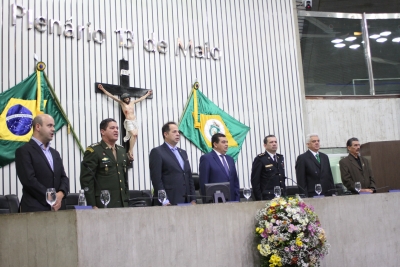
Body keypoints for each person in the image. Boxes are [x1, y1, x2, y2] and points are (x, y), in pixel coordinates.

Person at [15, 114, 69, 212]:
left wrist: (61, 194)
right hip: (35, 208)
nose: (53, 129)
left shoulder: (55, 153)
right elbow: (29, 181)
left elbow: (63, 177)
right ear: (38, 127)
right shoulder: (24, 151)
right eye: (49, 125)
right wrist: (51, 198)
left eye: (53, 126)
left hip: (58, 208)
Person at [80, 118, 129, 208]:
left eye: (117, 128)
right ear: (102, 131)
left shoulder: (121, 151)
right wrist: (92, 204)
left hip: (123, 203)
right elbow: (87, 180)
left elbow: (124, 179)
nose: (116, 130)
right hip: (103, 203)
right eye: (112, 128)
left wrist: (127, 200)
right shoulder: (94, 151)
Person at [98, 84, 152, 161]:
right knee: (133, 134)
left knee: (134, 136)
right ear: (123, 99)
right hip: (128, 121)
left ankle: (130, 151)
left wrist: (147, 94)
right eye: (125, 99)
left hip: (134, 121)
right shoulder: (122, 103)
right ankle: (130, 151)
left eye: (127, 98)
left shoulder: (132, 103)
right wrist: (103, 89)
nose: (127, 100)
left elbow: (141, 98)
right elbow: (111, 96)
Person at [149, 122, 196, 205]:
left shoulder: (183, 153)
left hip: (187, 201)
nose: (178, 134)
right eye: (174, 132)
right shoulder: (157, 152)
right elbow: (157, 180)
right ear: (166, 134)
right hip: (170, 200)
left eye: (178, 132)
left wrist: (193, 199)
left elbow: (189, 176)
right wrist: (164, 201)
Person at [199, 133, 240, 202]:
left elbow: (235, 181)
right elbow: (204, 182)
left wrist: (237, 198)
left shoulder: (230, 159)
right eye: (223, 142)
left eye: (227, 142)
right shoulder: (207, 158)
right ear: (215, 144)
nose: (226, 144)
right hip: (216, 202)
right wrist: (207, 202)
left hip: (233, 201)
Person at [251, 135, 286, 200]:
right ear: (265, 145)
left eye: (275, 142)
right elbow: (255, 181)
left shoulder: (280, 157)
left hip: (281, 196)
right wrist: (259, 198)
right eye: (271, 142)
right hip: (267, 197)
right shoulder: (260, 159)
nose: (274, 144)